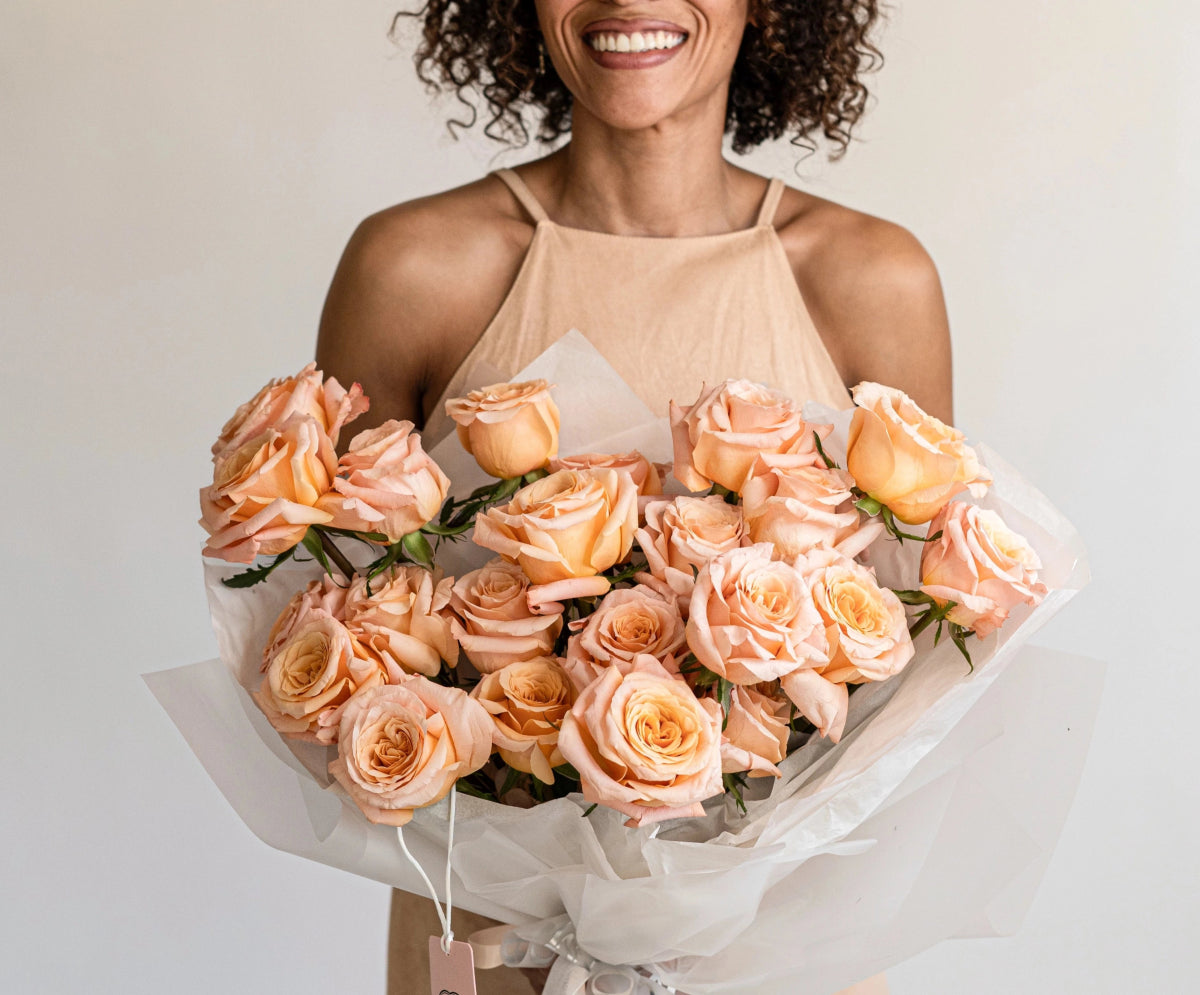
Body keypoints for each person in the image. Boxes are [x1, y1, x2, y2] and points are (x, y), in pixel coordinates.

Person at [317, 0, 951, 990]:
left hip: (776, 956)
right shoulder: (411, 271)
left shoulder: (876, 281)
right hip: (494, 952)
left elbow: (914, 673)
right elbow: (347, 644)